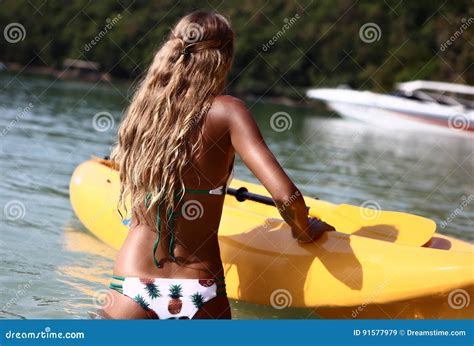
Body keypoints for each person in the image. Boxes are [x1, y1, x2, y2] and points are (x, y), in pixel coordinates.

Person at [103, 10, 334, 320]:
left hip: (132, 284)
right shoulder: (228, 112)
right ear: (224, 57)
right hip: (201, 288)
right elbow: (285, 196)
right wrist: (304, 230)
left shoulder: (145, 110)